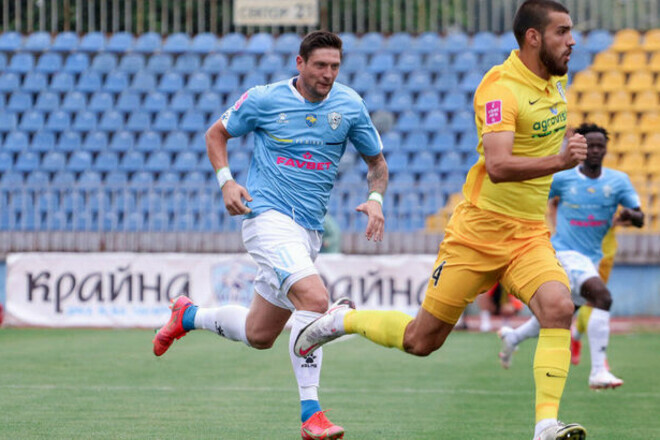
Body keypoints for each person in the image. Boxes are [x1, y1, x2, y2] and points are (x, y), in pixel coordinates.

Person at [295, 2, 589, 439]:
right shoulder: (500, 88)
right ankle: (342, 321)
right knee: (421, 341)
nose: (572, 40)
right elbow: (498, 166)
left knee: (559, 307)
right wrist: (560, 161)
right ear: (533, 37)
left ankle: (546, 425)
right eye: (562, 31)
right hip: (476, 236)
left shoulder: (555, 83)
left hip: (528, 236)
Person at [152, 31, 388, 440]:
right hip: (267, 218)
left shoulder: (349, 105)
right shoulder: (264, 99)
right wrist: (226, 181)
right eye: (320, 65)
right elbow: (215, 134)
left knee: (259, 334)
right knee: (315, 300)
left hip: (308, 230)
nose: (328, 74)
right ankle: (312, 415)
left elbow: (377, 164)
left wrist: (375, 200)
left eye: (334, 66)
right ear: (300, 63)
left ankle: (188, 316)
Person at [498, 122, 644, 390]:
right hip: (564, 253)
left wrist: (630, 215)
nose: (595, 150)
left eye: (600, 146)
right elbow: (535, 196)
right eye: (590, 145)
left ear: (606, 149)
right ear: (580, 148)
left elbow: (640, 217)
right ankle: (598, 371)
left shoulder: (618, 181)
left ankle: (513, 337)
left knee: (558, 316)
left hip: (591, 259)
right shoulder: (563, 179)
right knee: (602, 297)